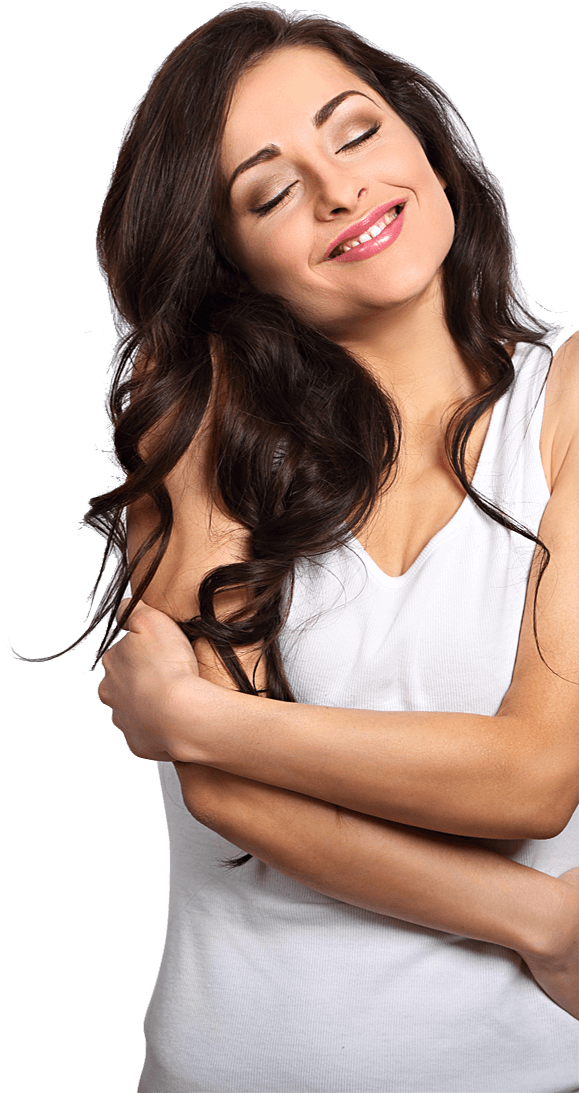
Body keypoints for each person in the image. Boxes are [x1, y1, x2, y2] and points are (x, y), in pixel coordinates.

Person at [30, 5, 579, 1091]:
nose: (341, 192)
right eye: (272, 192)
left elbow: (535, 777)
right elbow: (225, 795)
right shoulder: (200, 425)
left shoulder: (564, 406)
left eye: (358, 131)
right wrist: (543, 918)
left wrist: (199, 715)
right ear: (231, 261)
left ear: (422, 134)